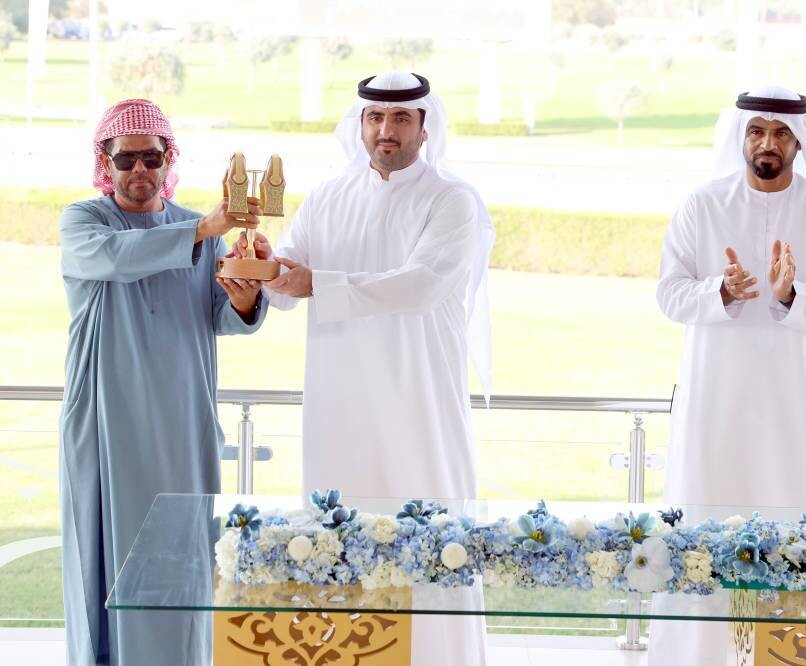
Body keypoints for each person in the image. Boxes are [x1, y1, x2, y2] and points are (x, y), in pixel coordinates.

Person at [263, 71, 494, 665]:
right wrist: (260, 268)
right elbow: (288, 284)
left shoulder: (452, 199)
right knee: (338, 532)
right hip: (338, 401)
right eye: (374, 118)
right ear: (360, 123)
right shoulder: (328, 195)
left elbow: (419, 286)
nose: (385, 130)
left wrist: (319, 283)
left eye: (399, 119)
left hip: (419, 399)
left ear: (424, 126)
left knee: (428, 531)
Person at [650, 85, 806, 664]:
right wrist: (720, 291)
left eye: (779, 133)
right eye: (756, 131)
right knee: (707, 525)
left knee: (793, 521)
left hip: (793, 406)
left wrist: (793, 294)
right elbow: (669, 296)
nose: (766, 143)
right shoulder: (702, 205)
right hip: (714, 404)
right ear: (741, 137)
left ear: (799, 142)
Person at [58, 98, 269, 666]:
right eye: (125, 160)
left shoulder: (199, 231)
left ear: (167, 158)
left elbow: (223, 316)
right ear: (106, 161)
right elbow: (116, 258)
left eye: (151, 158)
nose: (138, 171)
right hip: (106, 414)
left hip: (182, 415)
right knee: (107, 554)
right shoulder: (85, 221)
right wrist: (205, 227)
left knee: (181, 554)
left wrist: (247, 298)